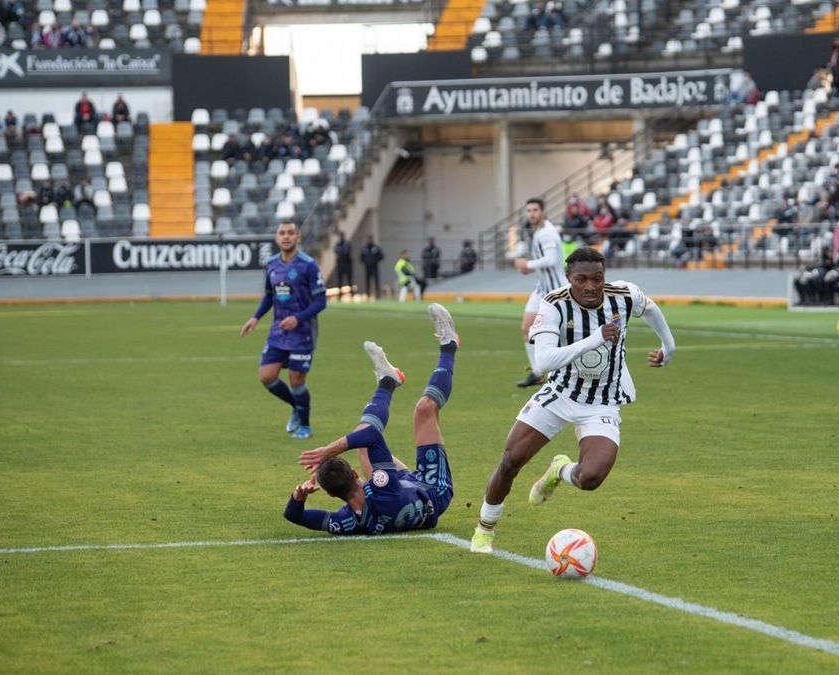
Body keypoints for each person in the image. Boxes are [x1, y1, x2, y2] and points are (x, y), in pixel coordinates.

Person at [470, 247, 676, 553]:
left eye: (597, 278)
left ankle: (559, 471)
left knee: (591, 478)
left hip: (603, 401)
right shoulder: (554, 304)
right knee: (511, 461)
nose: (591, 286)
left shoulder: (624, 295)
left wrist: (668, 346)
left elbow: (651, 309)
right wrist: (595, 339)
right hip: (560, 394)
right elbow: (543, 362)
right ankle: (484, 530)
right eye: (582, 279)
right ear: (570, 279)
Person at [287, 306, 459, 536]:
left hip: (402, 490)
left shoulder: (347, 523)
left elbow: (293, 516)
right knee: (425, 409)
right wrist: (329, 450)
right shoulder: (384, 488)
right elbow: (372, 436)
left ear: (330, 494)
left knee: (365, 446)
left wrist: (298, 498)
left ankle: (388, 380)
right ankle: (449, 344)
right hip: (433, 491)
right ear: (357, 474)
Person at [240, 220, 327, 440]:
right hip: (278, 331)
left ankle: (305, 427)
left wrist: (298, 318)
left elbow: (320, 302)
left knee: (297, 380)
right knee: (266, 376)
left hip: (303, 332)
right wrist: (255, 317)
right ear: (277, 238)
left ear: (298, 237)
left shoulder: (308, 265)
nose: (286, 236)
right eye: (282, 233)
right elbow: (270, 295)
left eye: (291, 233)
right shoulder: (270, 264)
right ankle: (297, 408)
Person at [514, 198, 564, 388]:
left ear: (543, 211)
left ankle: (559, 373)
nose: (532, 213)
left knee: (559, 333)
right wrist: (531, 268)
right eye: (528, 210)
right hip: (541, 288)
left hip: (555, 289)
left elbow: (551, 259)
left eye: (535, 210)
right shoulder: (540, 232)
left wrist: (528, 264)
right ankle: (537, 372)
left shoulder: (546, 233)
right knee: (527, 328)